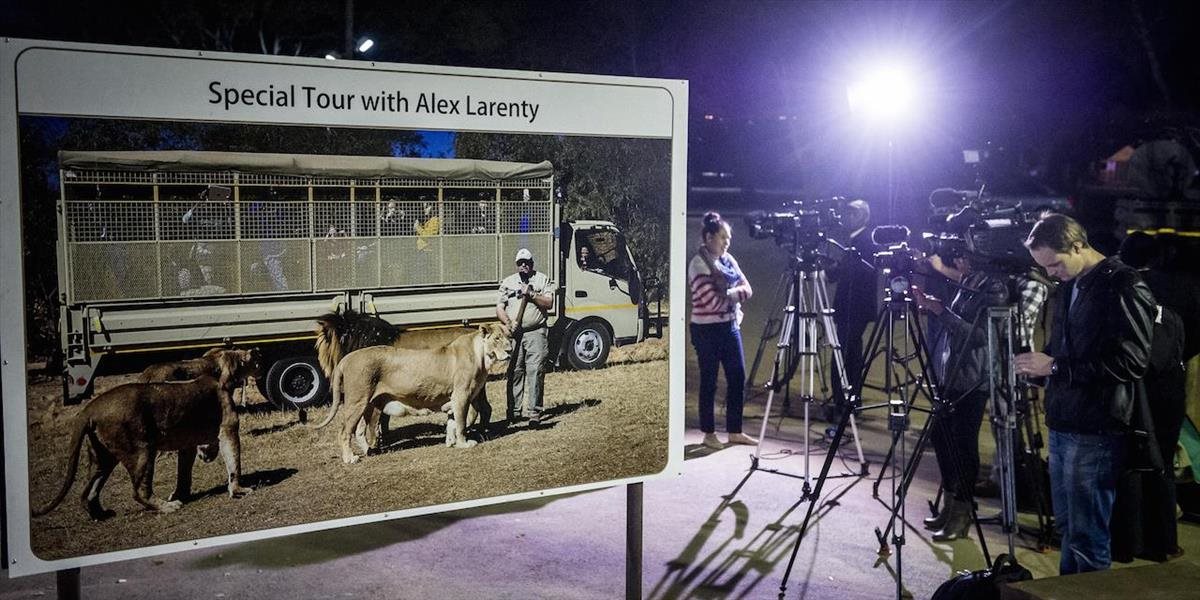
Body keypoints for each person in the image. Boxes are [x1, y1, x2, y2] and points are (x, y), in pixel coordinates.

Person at [1014, 213, 1156, 575]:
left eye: (1054, 263)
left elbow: (1133, 362)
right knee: (1069, 532)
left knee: (1088, 538)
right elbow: (1064, 350)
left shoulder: (1123, 284)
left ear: (1078, 246)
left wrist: (1055, 368)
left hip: (1095, 430)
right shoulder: (1069, 284)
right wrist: (1040, 373)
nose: (1049, 273)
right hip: (1065, 423)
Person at [914, 250, 1048, 542]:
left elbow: (980, 335)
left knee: (962, 444)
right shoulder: (974, 280)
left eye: (960, 257)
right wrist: (932, 307)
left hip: (975, 377)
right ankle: (951, 507)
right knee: (941, 436)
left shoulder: (995, 287)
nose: (956, 262)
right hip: (955, 371)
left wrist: (940, 311)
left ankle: (960, 516)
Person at [689, 211, 757, 450]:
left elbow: (748, 289)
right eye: (722, 238)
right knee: (709, 381)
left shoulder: (728, 260)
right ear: (708, 237)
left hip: (729, 326)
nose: (726, 243)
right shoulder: (698, 264)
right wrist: (734, 295)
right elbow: (712, 303)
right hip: (706, 331)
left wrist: (729, 294)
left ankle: (735, 431)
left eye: (728, 238)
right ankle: (709, 433)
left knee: (738, 377)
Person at [497, 248, 554, 426]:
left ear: (532, 264)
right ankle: (514, 412)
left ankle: (534, 412)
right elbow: (499, 307)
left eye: (527, 262)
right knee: (515, 371)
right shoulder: (508, 282)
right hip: (514, 334)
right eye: (520, 263)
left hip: (536, 332)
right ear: (516, 265)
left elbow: (549, 303)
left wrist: (531, 294)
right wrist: (507, 322)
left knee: (535, 371)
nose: (524, 266)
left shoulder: (542, 279)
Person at [829, 199, 878, 405]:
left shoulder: (865, 240)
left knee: (842, 353)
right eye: (847, 212)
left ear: (864, 216)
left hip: (854, 307)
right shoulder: (856, 240)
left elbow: (853, 271)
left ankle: (842, 401)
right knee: (853, 353)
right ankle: (852, 398)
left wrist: (828, 272)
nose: (848, 216)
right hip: (855, 308)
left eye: (854, 213)